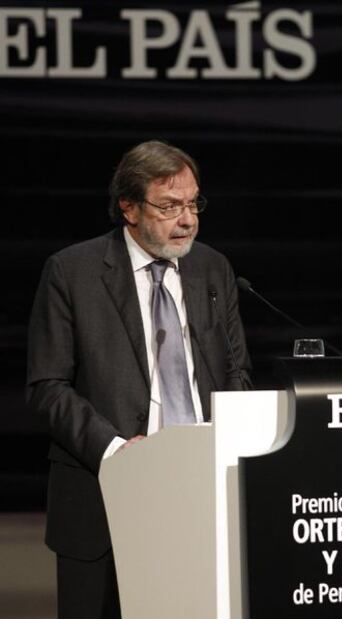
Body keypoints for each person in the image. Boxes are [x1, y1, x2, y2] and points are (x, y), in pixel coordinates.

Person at [26, 140, 252, 618]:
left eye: (193, 203)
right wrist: (116, 451)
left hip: (203, 488)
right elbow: (47, 386)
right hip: (105, 489)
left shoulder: (213, 269)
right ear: (128, 207)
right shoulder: (72, 272)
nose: (187, 219)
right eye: (169, 206)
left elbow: (237, 372)